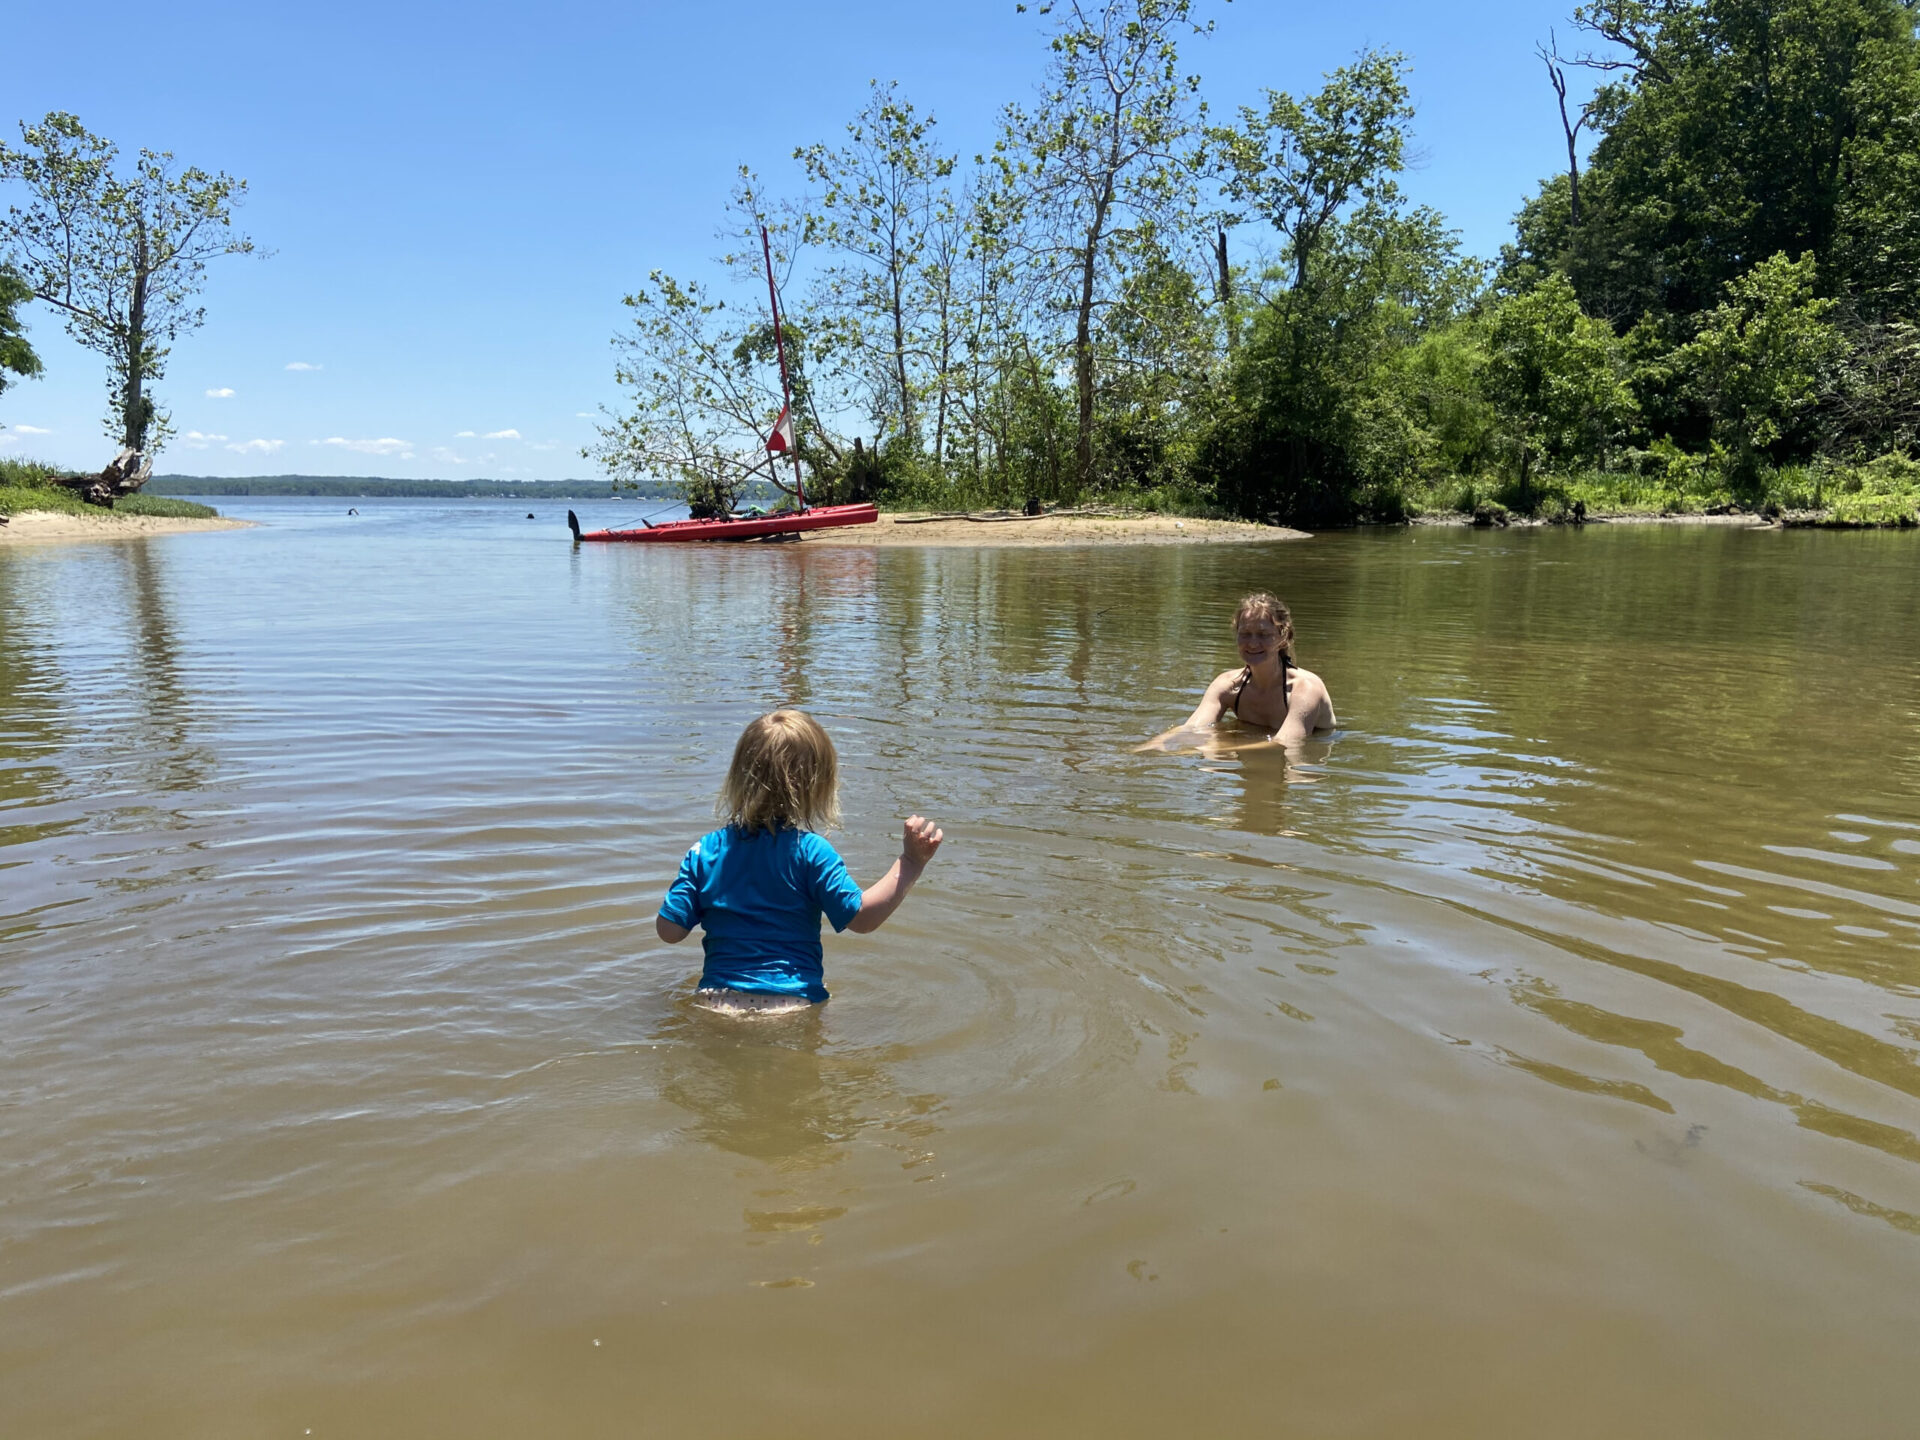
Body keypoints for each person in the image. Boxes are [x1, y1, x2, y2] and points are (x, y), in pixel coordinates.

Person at [655, 709, 943, 1014]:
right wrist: (911, 862)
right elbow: (862, 919)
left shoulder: (705, 850)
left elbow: (669, 931)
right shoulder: (811, 852)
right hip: (791, 1005)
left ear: (738, 776)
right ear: (817, 785)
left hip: (716, 1002)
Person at [1144, 592, 1336, 749]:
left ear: (1282, 638)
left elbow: (1286, 743)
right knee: (1209, 764)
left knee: (1298, 773)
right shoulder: (1227, 685)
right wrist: (1145, 750)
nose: (1252, 643)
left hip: (1298, 764)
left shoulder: (1306, 688)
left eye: (1263, 634)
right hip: (1254, 755)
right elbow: (1192, 729)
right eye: (1245, 634)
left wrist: (1221, 748)